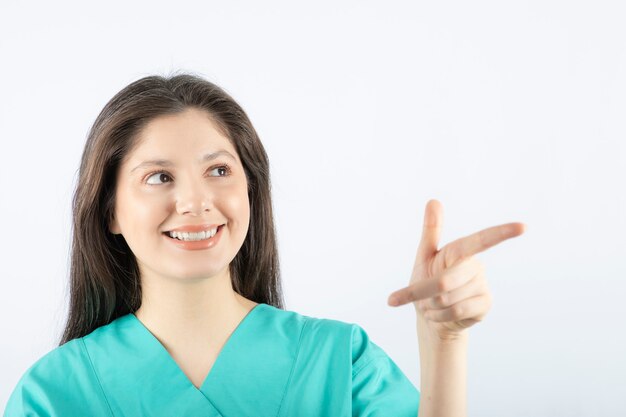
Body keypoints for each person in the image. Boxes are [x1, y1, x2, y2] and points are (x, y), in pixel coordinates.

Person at [3, 73, 525, 417]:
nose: (196, 201)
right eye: (159, 177)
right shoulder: (54, 394)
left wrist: (444, 342)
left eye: (219, 170)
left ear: (250, 189)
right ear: (110, 210)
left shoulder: (339, 362)